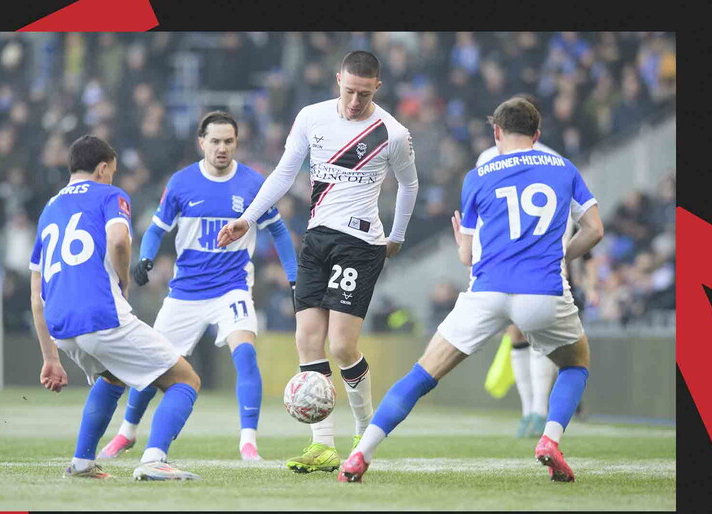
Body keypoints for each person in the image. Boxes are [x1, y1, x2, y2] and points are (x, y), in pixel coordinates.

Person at [339, 97, 603, 483]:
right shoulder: (564, 169)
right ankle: (549, 438)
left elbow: (467, 255)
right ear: (537, 134)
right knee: (576, 364)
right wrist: (561, 256)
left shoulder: (477, 176)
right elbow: (594, 230)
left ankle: (360, 454)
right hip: (543, 292)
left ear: (497, 132)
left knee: (420, 374)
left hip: (488, 292)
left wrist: (463, 242)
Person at [216, 50, 420, 474]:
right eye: (348, 91)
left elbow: (409, 184)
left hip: (361, 242)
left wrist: (396, 237)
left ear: (377, 88)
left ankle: (365, 433)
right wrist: (247, 220)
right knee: (308, 339)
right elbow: (284, 172)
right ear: (337, 80)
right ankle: (322, 445)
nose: (354, 102)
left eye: (363, 94)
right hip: (317, 239)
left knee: (342, 346)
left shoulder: (392, 132)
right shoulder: (311, 117)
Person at [97, 111, 298, 462]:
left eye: (229, 141)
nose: (222, 148)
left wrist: (294, 276)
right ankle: (127, 432)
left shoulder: (253, 183)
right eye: (215, 141)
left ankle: (248, 442)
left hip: (232, 287)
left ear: (237, 143)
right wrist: (145, 258)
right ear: (201, 142)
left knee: (246, 355)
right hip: (185, 292)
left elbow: (278, 231)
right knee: (152, 365)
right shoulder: (181, 183)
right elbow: (158, 228)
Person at [30, 135, 202, 481]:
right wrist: (123, 281)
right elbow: (120, 239)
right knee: (185, 379)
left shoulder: (50, 208)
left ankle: (81, 463)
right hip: (100, 314)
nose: (111, 177)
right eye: (112, 172)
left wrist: (50, 357)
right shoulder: (110, 194)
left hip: (60, 325)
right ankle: (154, 460)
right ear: (103, 168)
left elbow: (36, 294)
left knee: (113, 376)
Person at [476, 94, 578, 438]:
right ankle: (532, 411)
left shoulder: (488, 159)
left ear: (497, 130)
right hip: (544, 265)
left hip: (502, 267)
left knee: (528, 334)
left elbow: (481, 222)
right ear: (536, 130)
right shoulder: (556, 161)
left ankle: (535, 410)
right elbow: (574, 219)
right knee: (530, 334)